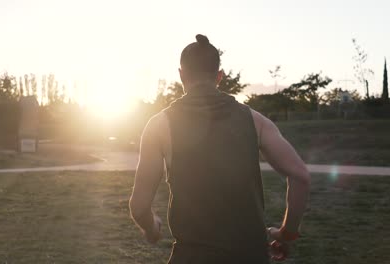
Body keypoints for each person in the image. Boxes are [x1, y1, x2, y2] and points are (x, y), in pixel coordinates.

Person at [129, 34, 310, 263]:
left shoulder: (159, 125)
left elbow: (139, 206)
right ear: (219, 76)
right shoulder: (255, 121)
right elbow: (300, 176)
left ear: (182, 75)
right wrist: (286, 234)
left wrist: (151, 229)